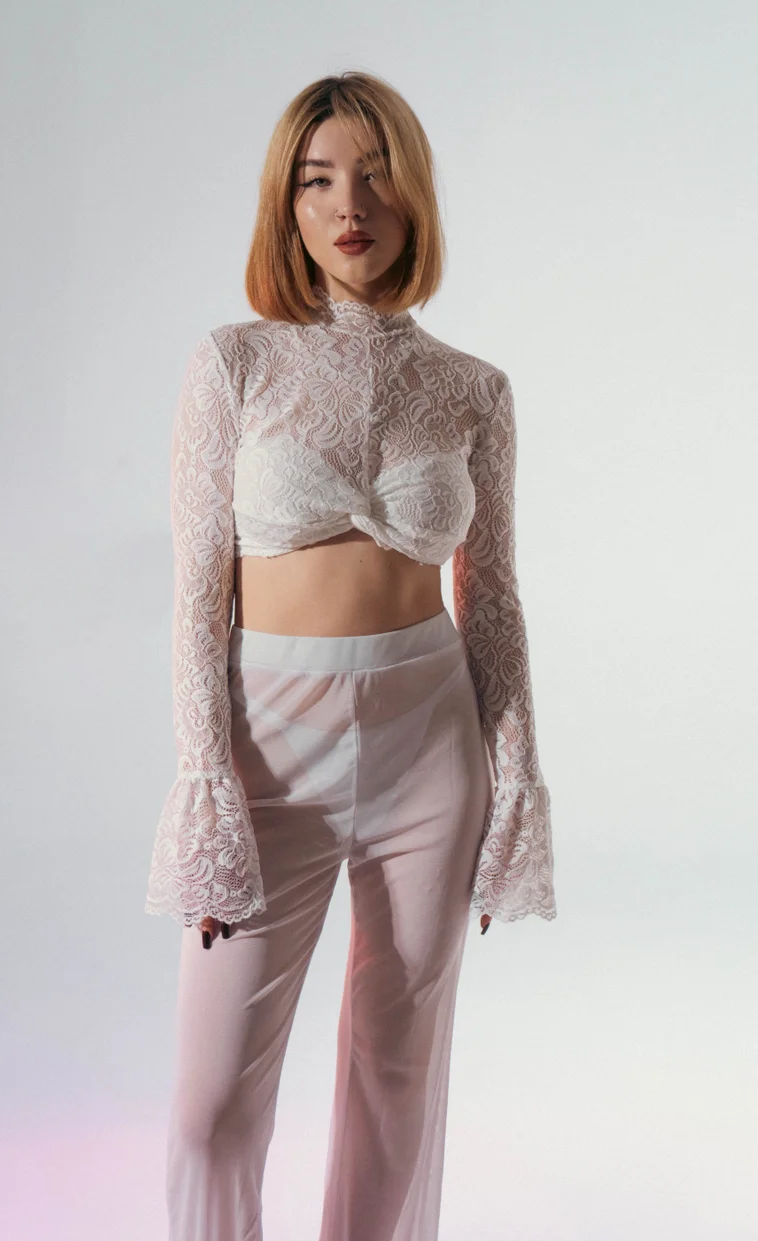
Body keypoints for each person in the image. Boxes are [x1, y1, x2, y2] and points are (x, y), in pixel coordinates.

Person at [144, 69, 557, 1241]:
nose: (348, 205)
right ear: (284, 204)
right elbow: (194, 591)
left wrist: (515, 780)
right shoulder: (235, 363)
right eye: (317, 179)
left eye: (374, 175)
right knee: (211, 1110)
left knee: (396, 1077)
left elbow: (491, 599)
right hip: (267, 750)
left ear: (413, 193)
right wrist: (208, 781)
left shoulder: (473, 389)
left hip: (429, 746)